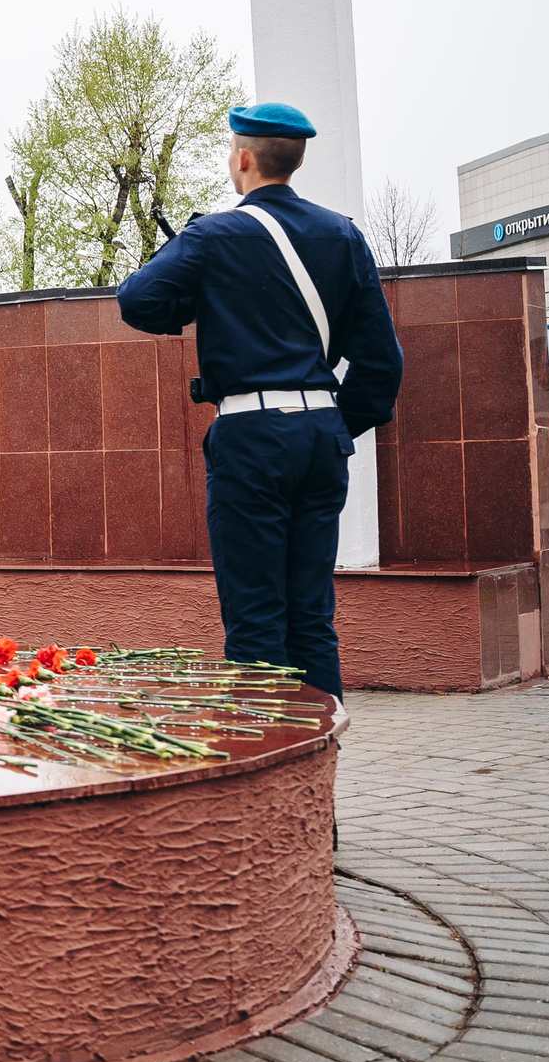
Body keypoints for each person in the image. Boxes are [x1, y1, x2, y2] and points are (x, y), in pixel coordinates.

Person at [114, 101, 403, 698]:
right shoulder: (344, 235)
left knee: (255, 622)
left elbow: (138, 300)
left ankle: (266, 774)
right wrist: (330, 424)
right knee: (312, 619)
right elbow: (381, 364)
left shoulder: (216, 234)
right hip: (323, 437)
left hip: (251, 438)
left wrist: (203, 293)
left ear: (243, 158)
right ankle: (320, 764)